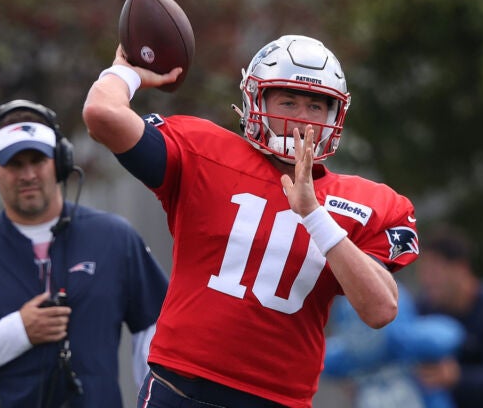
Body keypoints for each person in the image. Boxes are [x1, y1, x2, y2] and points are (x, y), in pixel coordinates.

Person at [82, 34, 420, 408]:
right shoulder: (203, 152)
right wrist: (125, 73)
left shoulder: (366, 203)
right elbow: (103, 116)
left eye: (315, 106)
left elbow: (380, 310)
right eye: (288, 101)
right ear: (255, 99)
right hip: (181, 390)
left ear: (333, 116)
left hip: (278, 400)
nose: (301, 119)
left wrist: (315, 216)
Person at [0, 99, 169, 408]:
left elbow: (156, 331)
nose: (28, 175)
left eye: (37, 160)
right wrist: (19, 330)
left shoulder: (114, 238)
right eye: (15, 163)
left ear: (59, 162)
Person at [415, 225, 483, 408]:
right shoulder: (424, 309)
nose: (427, 280)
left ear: (461, 268)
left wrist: (457, 377)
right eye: (423, 271)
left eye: (434, 271)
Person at [323, 282, 465, 408]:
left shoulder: (410, 345)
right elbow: (322, 359)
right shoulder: (348, 358)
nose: (363, 330)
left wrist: (403, 337)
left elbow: (449, 334)